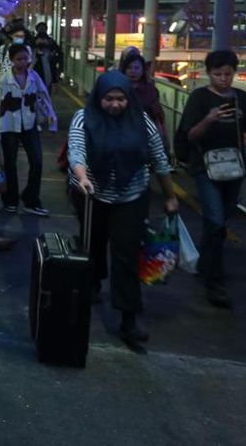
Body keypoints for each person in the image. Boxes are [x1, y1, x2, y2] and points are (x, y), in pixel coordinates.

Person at [68, 71, 178, 346]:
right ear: (99, 97)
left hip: (132, 196)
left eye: (120, 99)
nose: (115, 105)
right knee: (92, 244)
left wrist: (170, 196)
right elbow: (77, 150)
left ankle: (128, 318)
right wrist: (81, 176)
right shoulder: (85, 118)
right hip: (91, 194)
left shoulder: (142, 122)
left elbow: (159, 159)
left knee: (126, 255)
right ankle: (92, 281)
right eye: (109, 99)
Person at [176, 50, 246, 308]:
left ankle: (205, 264)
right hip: (205, 167)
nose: (224, 79)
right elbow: (190, 135)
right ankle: (215, 281)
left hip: (234, 168)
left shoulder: (242, 99)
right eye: (218, 74)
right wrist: (210, 119)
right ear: (208, 73)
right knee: (214, 220)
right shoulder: (200, 98)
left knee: (220, 221)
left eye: (228, 74)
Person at [0, 44, 57, 216]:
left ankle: (31, 198)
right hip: (8, 126)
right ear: (12, 60)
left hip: (29, 125)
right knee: (10, 163)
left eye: (25, 58)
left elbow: (44, 98)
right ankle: (10, 199)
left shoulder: (34, 77)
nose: (23, 62)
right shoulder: (5, 79)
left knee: (37, 161)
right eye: (19, 59)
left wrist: (52, 120)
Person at [118, 52, 167, 148]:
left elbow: (158, 116)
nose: (133, 71)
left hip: (145, 136)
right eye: (129, 68)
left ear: (143, 70)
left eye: (137, 68)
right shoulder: (118, 88)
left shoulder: (150, 90)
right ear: (124, 70)